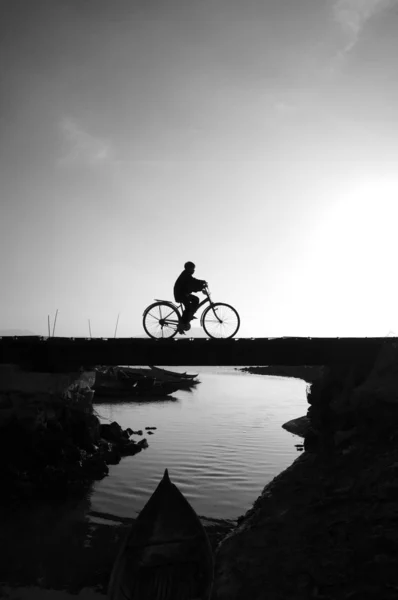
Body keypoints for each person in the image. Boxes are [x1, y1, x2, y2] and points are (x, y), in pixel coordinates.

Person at [173, 262, 207, 332]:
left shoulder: (187, 274)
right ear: (189, 268)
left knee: (196, 299)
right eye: (193, 269)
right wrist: (201, 286)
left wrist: (202, 282)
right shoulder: (186, 275)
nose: (194, 270)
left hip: (183, 293)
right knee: (188, 307)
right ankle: (182, 323)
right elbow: (191, 285)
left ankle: (189, 315)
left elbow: (194, 281)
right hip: (181, 294)